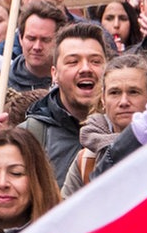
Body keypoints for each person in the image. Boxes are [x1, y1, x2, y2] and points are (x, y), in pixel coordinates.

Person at [23, 22, 110, 182]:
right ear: (54, 74)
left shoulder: (129, 128)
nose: (85, 69)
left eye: (95, 61)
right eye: (73, 62)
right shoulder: (30, 136)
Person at [62, 52, 147, 195]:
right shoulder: (86, 161)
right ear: (103, 99)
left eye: (134, 92)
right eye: (114, 93)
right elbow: (67, 214)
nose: (123, 102)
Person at [8, 1, 62, 94]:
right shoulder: (2, 82)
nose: (37, 47)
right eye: (31, 39)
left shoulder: (69, 82)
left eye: (45, 40)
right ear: (21, 38)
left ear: (59, 41)